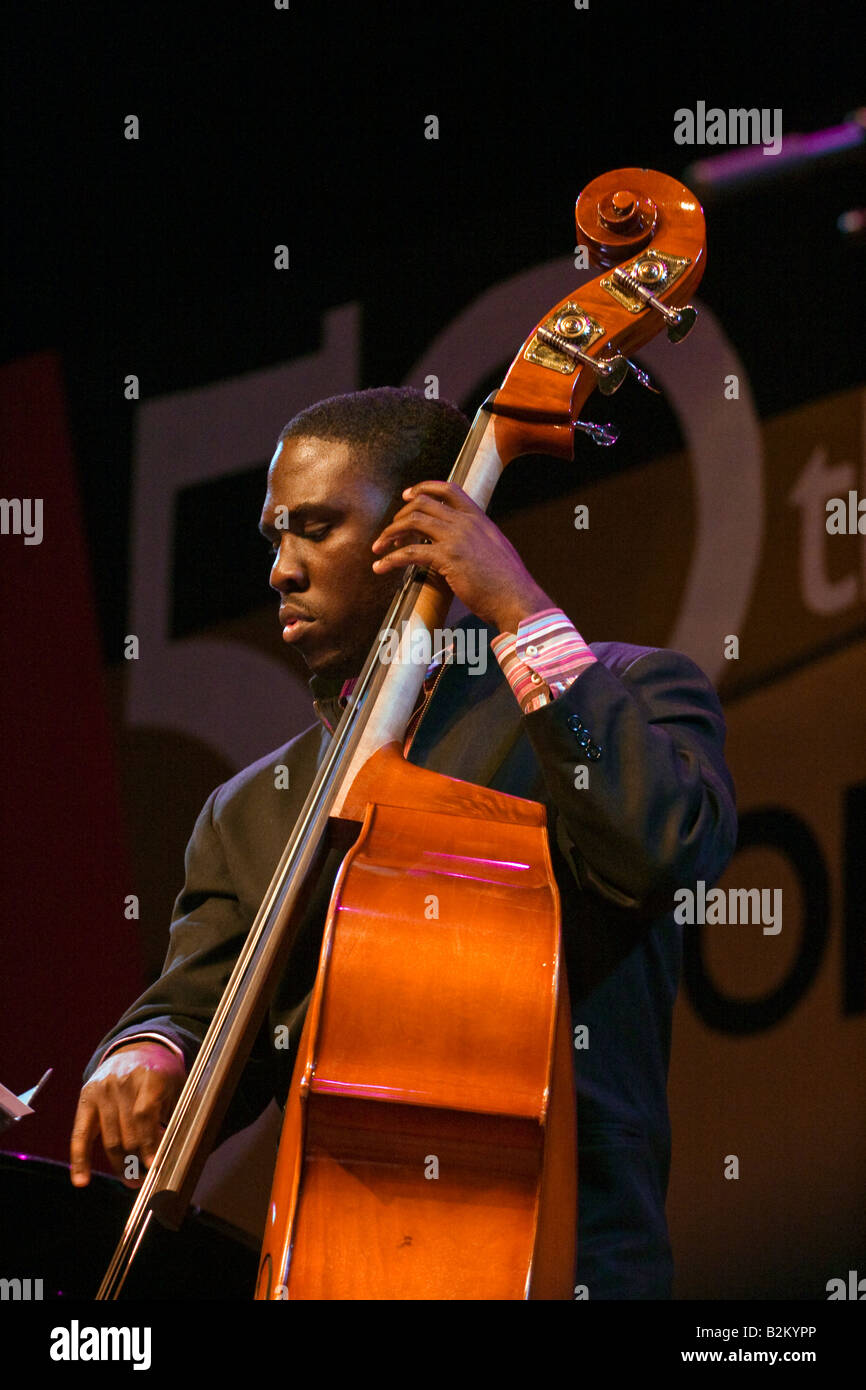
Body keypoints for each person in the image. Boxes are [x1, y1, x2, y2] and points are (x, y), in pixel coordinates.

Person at [70, 386, 737, 1299]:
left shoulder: (624, 690)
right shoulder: (251, 810)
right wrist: (145, 1050)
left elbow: (664, 845)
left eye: (316, 528)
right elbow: (195, 1007)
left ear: (425, 528)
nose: (281, 569)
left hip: (567, 1257)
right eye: (276, 536)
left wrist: (518, 609)